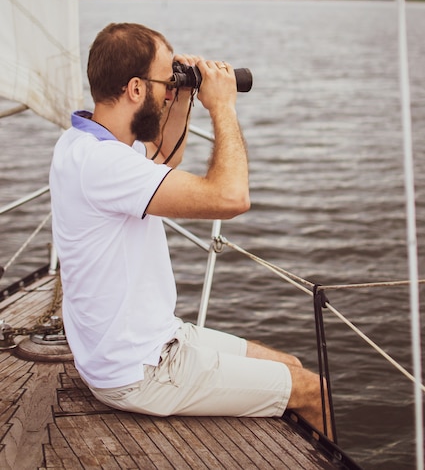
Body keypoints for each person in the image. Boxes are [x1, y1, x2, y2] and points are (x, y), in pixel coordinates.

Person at [50, 22, 329, 434]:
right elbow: (231, 198)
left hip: (147, 342)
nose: (168, 90)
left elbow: (162, 157)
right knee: (314, 390)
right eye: (165, 82)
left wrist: (180, 97)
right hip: (141, 370)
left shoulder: (82, 144)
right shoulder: (106, 165)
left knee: (291, 365)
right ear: (135, 89)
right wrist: (223, 107)